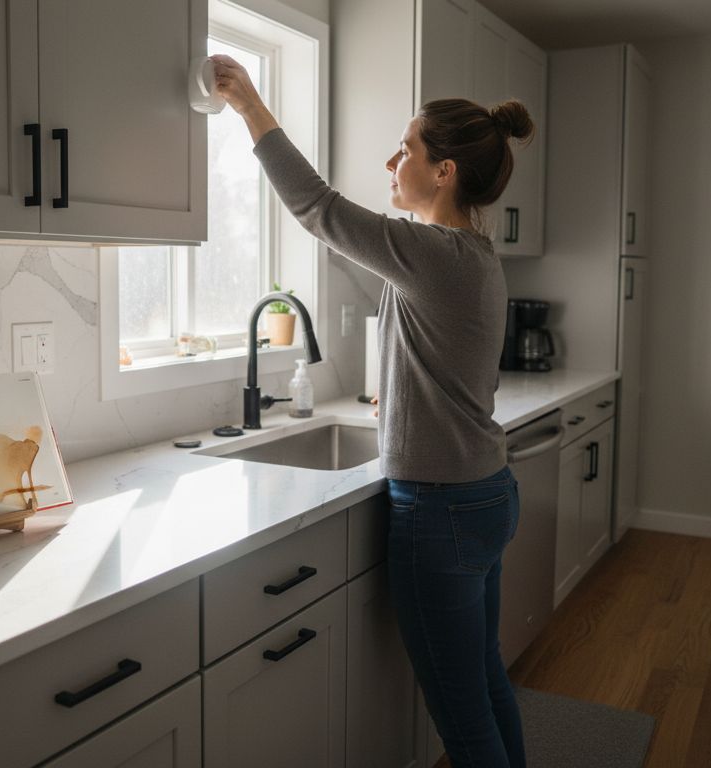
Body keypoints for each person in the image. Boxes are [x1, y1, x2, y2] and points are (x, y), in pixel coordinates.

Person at [212, 54, 534, 768]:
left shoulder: (430, 251)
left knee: (461, 717)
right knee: (484, 681)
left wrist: (251, 108)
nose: (392, 161)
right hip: (484, 492)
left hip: (441, 508)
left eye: (407, 148)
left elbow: (316, 208)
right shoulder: (471, 253)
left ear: (444, 171)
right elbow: (444, 353)